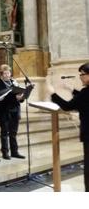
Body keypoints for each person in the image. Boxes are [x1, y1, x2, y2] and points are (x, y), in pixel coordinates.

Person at [48, 62, 89, 191]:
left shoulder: (86, 92)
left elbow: (67, 106)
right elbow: (83, 101)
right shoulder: (84, 93)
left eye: (82, 74)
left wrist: (52, 92)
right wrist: (71, 89)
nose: (80, 77)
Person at [0, 64, 25, 160]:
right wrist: (13, 96)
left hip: (15, 110)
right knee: (4, 132)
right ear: (1, 74)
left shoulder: (14, 82)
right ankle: (5, 152)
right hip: (4, 110)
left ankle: (14, 152)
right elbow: (0, 97)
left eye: (9, 73)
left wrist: (20, 98)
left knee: (13, 132)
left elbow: (19, 96)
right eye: (5, 73)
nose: (7, 75)